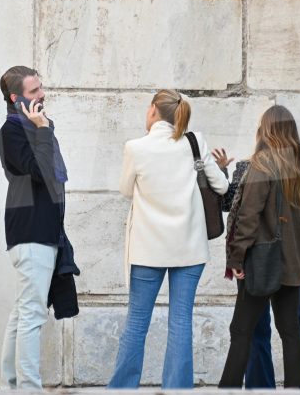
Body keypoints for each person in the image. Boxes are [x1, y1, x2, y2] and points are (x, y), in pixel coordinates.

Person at [108, 90, 231, 389]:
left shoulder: (136, 147)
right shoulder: (194, 141)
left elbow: (126, 190)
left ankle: (121, 390)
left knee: (137, 323)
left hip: (147, 249)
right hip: (189, 248)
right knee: (180, 323)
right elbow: (222, 186)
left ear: (153, 109)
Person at [219, 105, 300, 388]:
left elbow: (248, 216)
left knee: (241, 331)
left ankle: (227, 390)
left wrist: (236, 257)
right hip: (294, 264)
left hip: (262, 264)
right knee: (291, 332)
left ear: (266, 130)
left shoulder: (261, 165)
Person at [225, 159, 300, 388]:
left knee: (264, 330)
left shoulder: (251, 167)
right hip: (283, 262)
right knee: (294, 328)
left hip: (263, 263)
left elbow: (235, 209)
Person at [0, 66, 68, 389]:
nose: (42, 95)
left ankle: (11, 386)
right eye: (33, 91)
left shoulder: (33, 127)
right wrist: (43, 130)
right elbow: (40, 171)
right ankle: (28, 388)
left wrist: (42, 129)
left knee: (22, 312)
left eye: (40, 87)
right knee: (32, 314)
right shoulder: (12, 131)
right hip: (30, 231)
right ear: (16, 98)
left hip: (40, 229)